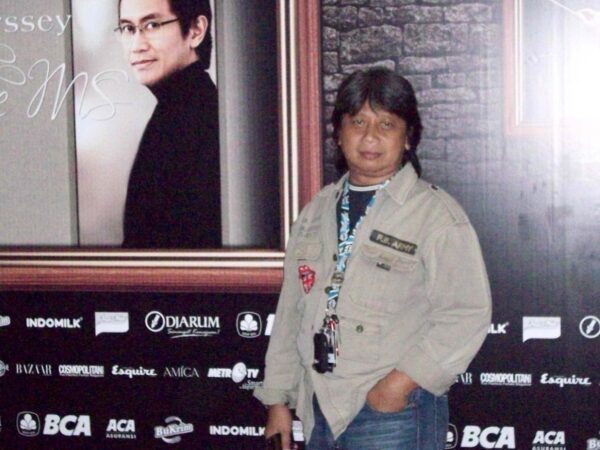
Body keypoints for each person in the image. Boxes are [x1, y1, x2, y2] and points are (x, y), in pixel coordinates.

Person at [254, 68, 492, 449]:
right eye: (358, 122)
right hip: (319, 408)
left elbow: (465, 314)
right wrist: (278, 399)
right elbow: (291, 313)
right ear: (339, 133)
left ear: (408, 136)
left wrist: (396, 387)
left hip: (393, 413)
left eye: (387, 124)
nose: (370, 137)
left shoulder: (436, 216)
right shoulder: (316, 212)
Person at [116, 0, 221, 248]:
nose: (137, 46)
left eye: (152, 25)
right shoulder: (178, 111)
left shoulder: (191, 118)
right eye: (128, 29)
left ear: (195, 30)